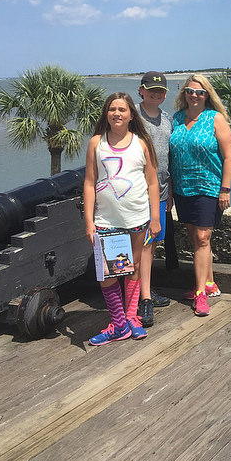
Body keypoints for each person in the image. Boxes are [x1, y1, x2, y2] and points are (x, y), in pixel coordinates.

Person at [83, 92, 161, 345]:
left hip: (137, 217)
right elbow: (89, 182)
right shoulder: (97, 143)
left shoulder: (142, 143)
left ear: (130, 115)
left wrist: (155, 217)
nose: (117, 113)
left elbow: (152, 182)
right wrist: (88, 221)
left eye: (122, 109)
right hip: (106, 219)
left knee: (134, 267)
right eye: (112, 109)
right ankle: (118, 324)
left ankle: (131, 318)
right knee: (108, 273)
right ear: (106, 113)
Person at [169, 74, 231, 317]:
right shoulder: (176, 119)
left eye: (200, 92)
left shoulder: (215, 119)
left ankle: (199, 294)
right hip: (182, 188)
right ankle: (208, 282)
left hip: (208, 186)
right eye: (190, 91)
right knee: (196, 238)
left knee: (203, 237)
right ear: (184, 93)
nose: (194, 96)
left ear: (207, 95)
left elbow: (228, 156)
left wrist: (225, 189)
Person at [136, 71, 173, 328]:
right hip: (137, 193)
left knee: (152, 244)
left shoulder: (167, 120)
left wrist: (169, 191)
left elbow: (168, 159)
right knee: (141, 246)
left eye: (160, 91)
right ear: (141, 90)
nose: (155, 94)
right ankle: (142, 298)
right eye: (151, 90)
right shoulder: (132, 118)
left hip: (159, 192)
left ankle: (144, 291)